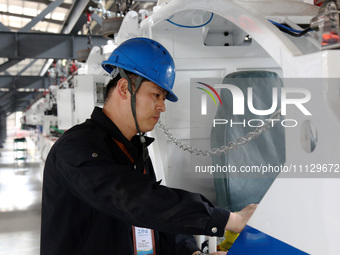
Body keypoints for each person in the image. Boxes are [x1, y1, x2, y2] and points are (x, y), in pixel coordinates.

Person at [40, 37, 257, 255]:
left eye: (163, 97)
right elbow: (136, 200)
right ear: (124, 88)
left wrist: (191, 252)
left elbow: (158, 216)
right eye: (156, 95)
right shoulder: (75, 148)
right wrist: (230, 219)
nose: (162, 106)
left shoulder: (135, 150)